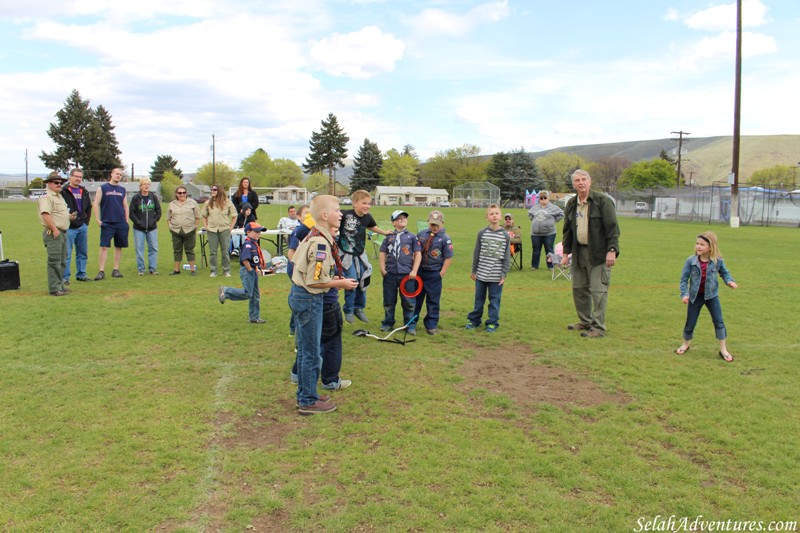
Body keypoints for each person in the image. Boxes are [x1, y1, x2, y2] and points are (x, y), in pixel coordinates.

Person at [290, 195, 358, 414]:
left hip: (304, 296)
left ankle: (306, 392)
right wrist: (341, 283)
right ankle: (308, 401)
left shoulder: (320, 236)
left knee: (306, 351)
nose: (341, 214)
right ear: (324, 215)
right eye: (337, 210)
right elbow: (314, 280)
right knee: (310, 352)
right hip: (309, 298)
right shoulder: (320, 242)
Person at [561, 169, 620, 338]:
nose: (581, 183)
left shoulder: (603, 201)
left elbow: (613, 228)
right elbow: (567, 231)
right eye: (577, 180)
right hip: (578, 252)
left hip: (599, 253)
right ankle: (585, 321)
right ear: (573, 184)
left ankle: (598, 327)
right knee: (579, 288)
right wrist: (565, 253)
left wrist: (612, 250)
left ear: (590, 181)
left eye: (583, 179)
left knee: (598, 290)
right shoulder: (572, 204)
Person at [675, 232, 738, 362]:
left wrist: (729, 281)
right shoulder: (690, 261)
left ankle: (723, 350)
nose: (698, 246)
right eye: (697, 243)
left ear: (711, 247)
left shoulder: (717, 261)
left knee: (719, 321)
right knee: (690, 322)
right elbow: (683, 279)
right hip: (695, 297)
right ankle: (685, 345)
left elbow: (725, 273)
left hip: (712, 297)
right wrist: (685, 294)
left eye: (702, 244)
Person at [338, 190, 390, 324]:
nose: (367, 206)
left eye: (369, 203)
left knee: (363, 280)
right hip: (346, 255)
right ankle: (348, 310)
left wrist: (384, 232)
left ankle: (359, 308)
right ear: (355, 203)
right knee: (352, 282)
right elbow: (331, 219)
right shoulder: (345, 214)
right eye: (364, 203)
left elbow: (372, 227)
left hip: (360, 254)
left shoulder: (367, 217)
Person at [465, 204, 510, 333]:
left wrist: (504, 273)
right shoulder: (482, 233)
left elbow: (506, 256)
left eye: (496, 213)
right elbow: (476, 252)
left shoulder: (505, 235)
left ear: (500, 216)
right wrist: (474, 270)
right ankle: (474, 320)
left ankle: (492, 322)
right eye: (491, 214)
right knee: (479, 299)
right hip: (481, 273)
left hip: (496, 274)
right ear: (487, 217)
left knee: (494, 300)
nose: (494, 215)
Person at [379, 210, 422, 334]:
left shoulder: (412, 237)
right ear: (393, 223)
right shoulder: (389, 237)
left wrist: (414, 270)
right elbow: (383, 252)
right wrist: (383, 269)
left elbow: (418, 254)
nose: (402, 219)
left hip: (407, 275)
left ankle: (410, 325)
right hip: (390, 273)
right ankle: (388, 323)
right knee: (389, 301)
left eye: (404, 218)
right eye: (399, 218)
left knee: (409, 301)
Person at [218, 222, 268, 324]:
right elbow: (245, 260)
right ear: (248, 232)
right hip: (247, 270)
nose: (259, 234)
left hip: (252, 270)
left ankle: (254, 317)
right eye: (257, 232)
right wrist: (250, 270)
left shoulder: (254, 244)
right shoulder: (248, 245)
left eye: (260, 232)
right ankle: (226, 291)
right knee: (248, 293)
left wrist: (257, 268)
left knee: (255, 295)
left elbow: (255, 259)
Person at [413, 210, 454, 335]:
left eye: (437, 224)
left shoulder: (445, 239)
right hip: (420, 272)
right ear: (428, 223)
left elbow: (448, 257)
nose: (434, 227)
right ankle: (411, 323)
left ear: (442, 223)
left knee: (433, 300)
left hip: (434, 274)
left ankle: (431, 324)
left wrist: (441, 273)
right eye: (432, 224)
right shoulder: (421, 234)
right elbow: (416, 252)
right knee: (416, 299)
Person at [38, 172, 73, 296]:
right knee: (54, 261)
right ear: (49, 183)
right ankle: (54, 288)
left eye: (60, 183)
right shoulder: (47, 197)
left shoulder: (59, 197)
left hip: (63, 233)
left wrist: (69, 217)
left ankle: (60, 286)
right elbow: (45, 214)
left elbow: (58, 214)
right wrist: (55, 229)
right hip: (54, 233)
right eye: (56, 182)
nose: (59, 185)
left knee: (62, 261)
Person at [92, 167, 129, 280]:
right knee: (104, 247)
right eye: (116, 174)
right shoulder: (102, 188)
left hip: (120, 223)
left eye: (120, 174)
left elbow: (125, 206)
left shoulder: (122, 189)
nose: (118, 176)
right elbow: (96, 204)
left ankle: (116, 269)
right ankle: (101, 271)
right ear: (111, 174)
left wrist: (126, 221)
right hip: (107, 222)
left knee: (119, 246)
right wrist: (97, 219)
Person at [61, 168, 92, 284]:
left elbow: (89, 207)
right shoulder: (64, 191)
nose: (78, 179)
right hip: (69, 227)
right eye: (76, 176)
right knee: (67, 253)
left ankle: (81, 274)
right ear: (70, 177)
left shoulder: (83, 191)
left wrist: (86, 222)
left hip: (82, 226)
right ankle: (65, 277)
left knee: (82, 252)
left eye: (80, 177)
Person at [286, 205, 312, 337]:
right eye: (306, 213)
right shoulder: (299, 231)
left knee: (299, 298)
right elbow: (291, 252)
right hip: (296, 270)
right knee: (299, 298)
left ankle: (294, 328)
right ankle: (296, 329)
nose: (309, 216)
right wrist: (297, 269)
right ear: (299, 217)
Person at [201, 184, 237, 278]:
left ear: (219, 191)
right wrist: (206, 226)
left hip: (224, 229)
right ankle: (213, 270)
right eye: (211, 189)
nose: (212, 191)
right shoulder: (208, 203)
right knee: (213, 252)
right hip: (212, 230)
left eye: (214, 189)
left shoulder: (228, 202)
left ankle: (226, 270)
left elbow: (234, 215)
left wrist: (230, 228)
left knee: (225, 251)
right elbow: (204, 216)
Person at [129, 177, 161, 275]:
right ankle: (141, 269)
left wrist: (153, 221)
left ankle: (152, 268)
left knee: (154, 248)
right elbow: (131, 213)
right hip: (139, 229)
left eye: (148, 184)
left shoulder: (153, 197)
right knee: (139, 249)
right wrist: (138, 222)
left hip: (152, 228)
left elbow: (158, 211)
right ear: (140, 186)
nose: (146, 186)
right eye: (144, 184)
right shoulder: (136, 198)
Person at [167, 186, 201, 275]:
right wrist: (170, 227)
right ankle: (176, 269)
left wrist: (196, 226)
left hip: (189, 230)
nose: (182, 194)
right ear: (176, 194)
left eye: (183, 193)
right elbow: (168, 217)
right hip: (176, 231)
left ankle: (192, 269)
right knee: (177, 250)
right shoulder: (172, 204)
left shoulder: (192, 203)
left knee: (190, 250)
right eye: (180, 193)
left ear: (186, 193)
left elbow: (198, 216)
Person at [527, 190, 564, 270]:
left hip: (549, 233)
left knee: (549, 250)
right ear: (539, 199)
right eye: (541, 198)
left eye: (545, 197)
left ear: (548, 198)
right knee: (536, 250)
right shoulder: (535, 207)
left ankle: (550, 266)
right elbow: (530, 214)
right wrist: (534, 221)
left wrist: (553, 221)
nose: (543, 199)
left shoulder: (553, 208)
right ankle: (534, 266)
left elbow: (561, 214)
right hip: (535, 233)